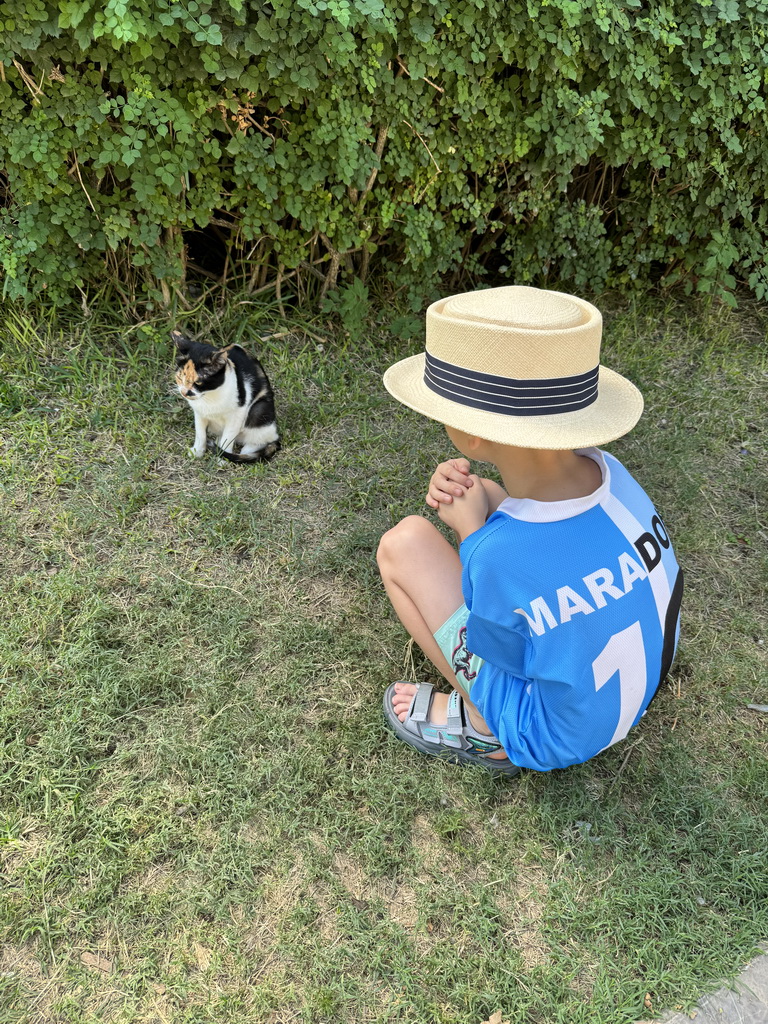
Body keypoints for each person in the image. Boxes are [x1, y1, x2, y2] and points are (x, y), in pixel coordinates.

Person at [377, 285, 683, 776]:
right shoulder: (613, 476)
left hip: (550, 734)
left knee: (403, 545)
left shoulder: (497, 553)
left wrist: (472, 532)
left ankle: (483, 727)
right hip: (632, 683)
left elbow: (496, 650)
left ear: (471, 433)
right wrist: (486, 500)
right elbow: (546, 533)